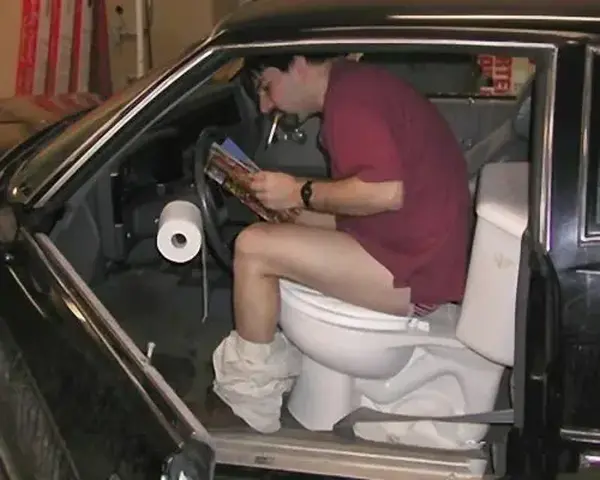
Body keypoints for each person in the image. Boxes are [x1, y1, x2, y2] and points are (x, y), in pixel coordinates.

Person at [208, 53, 471, 433]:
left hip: (415, 272)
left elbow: (384, 193)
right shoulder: (354, 86)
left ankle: (249, 407)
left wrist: (298, 192)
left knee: (252, 247)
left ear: (298, 64)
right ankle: (271, 372)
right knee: (276, 234)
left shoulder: (350, 103)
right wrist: (290, 210)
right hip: (412, 249)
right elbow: (364, 207)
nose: (265, 106)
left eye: (267, 87)